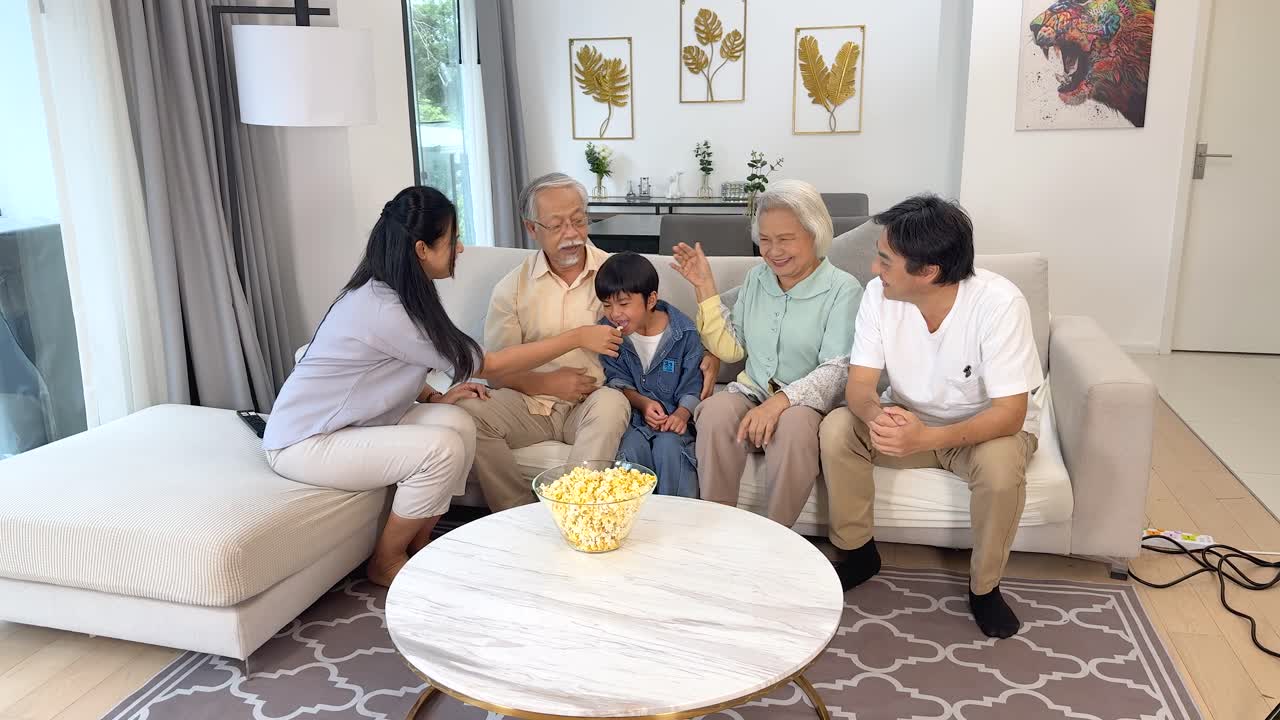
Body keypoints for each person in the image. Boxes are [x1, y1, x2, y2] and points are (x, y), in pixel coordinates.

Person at [263, 186, 622, 586]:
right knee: (442, 448)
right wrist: (576, 337)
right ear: (422, 249)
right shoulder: (386, 307)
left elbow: (387, 364)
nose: (461, 249)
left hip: (355, 423)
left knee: (457, 422)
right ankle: (386, 561)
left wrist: (434, 396)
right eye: (451, 241)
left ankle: (419, 546)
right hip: (307, 441)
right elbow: (488, 363)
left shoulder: (403, 293)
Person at [819, 194, 1044, 639]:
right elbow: (861, 387)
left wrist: (925, 439)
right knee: (838, 427)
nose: (873, 270)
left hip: (984, 429)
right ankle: (859, 552)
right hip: (908, 416)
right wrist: (878, 416)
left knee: (1000, 470)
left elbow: (1010, 415)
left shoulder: (999, 304)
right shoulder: (878, 296)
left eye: (885, 262)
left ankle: (985, 589)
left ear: (928, 272)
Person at [671, 179, 863, 525]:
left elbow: (838, 370)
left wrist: (780, 402)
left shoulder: (843, 289)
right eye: (765, 240)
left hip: (809, 403)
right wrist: (705, 288)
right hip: (753, 390)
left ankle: (778, 537)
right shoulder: (758, 278)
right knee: (714, 412)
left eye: (786, 239)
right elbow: (731, 349)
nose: (774, 251)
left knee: (792, 427)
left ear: (815, 234)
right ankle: (718, 526)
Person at [596, 252, 705, 497]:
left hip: (674, 423)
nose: (614, 314)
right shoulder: (606, 333)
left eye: (623, 304)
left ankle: (679, 523)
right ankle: (632, 524)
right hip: (633, 422)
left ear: (651, 299)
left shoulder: (684, 333)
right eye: (607, 304)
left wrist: (680, 414)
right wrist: (643, 403)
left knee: (670, 449)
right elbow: (616, 380)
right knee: (629, 450)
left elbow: (693, 385)